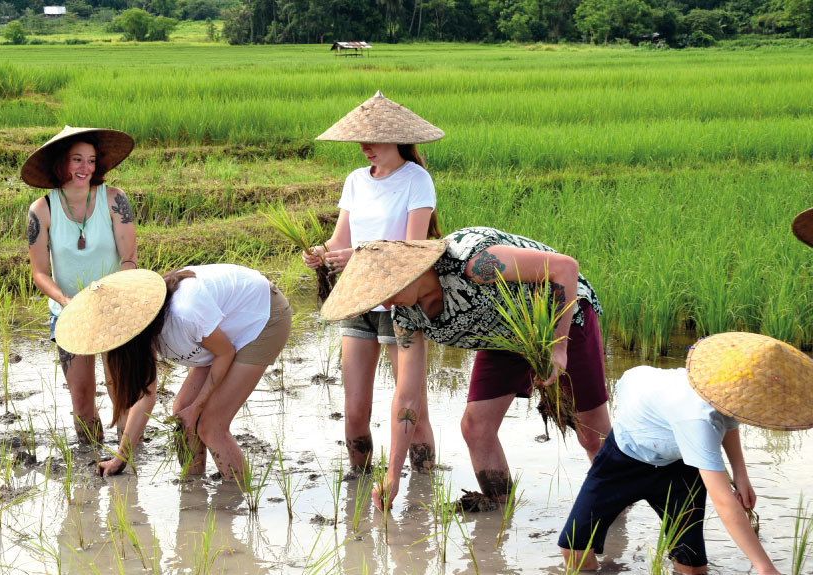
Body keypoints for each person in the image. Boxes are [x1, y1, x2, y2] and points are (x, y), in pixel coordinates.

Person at [319, 227, 612, 510]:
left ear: (412, 270)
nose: (384, 302)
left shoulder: (472, 263)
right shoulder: (405, 315)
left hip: (561, 317)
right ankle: (499, 515)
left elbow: (565, 268)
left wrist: (557, 346)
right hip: (503, 334)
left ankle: (615, 509)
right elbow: (407, 397)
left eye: (387, 290)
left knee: (591, 434)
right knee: (476, 428)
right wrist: (393, 475)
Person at [557, 332, 812, 574]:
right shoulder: (695, 417)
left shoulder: (723, 392)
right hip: (623, 462)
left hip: (680, 469)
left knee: (692, 563)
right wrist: (765, 568)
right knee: (574, 546)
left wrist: (741, 475)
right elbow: (724, 501)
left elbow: (728, 423)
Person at [303, 90, 444, 472]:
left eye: (373, 141)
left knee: (410, 410)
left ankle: (422, 490)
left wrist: (361, 255)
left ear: (397, 138)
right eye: (360, 141)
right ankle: (357, 489)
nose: (365, 148)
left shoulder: (417, 180)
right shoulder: (355, 180)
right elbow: (340, 241)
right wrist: (320, 252)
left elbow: (413, 249)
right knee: (353, 411)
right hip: (359, 297)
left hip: (400, 303)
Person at [53, 265, 292, 480]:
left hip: (263, 316)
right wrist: (120, 457)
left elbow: (225, 353)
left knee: (210, 423)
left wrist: (199, 406)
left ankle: (236, 503)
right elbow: (146, 396)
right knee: (182, 412)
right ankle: (193, 488)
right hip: (221, 330)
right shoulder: (146, 328)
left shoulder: (184, 313)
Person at [22, 125, 138, 443]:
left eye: (90, 160)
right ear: (62, 163)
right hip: (69, 313)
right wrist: (66, 301)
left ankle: (130, 466)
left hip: (113, 306)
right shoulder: (41, 210)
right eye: (77, 160)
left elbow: (129, 257)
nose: (84, 168)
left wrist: (112, 292)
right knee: (82, 401)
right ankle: (89, 473)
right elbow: (40, 273)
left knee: (122, 390)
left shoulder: (115, 199)